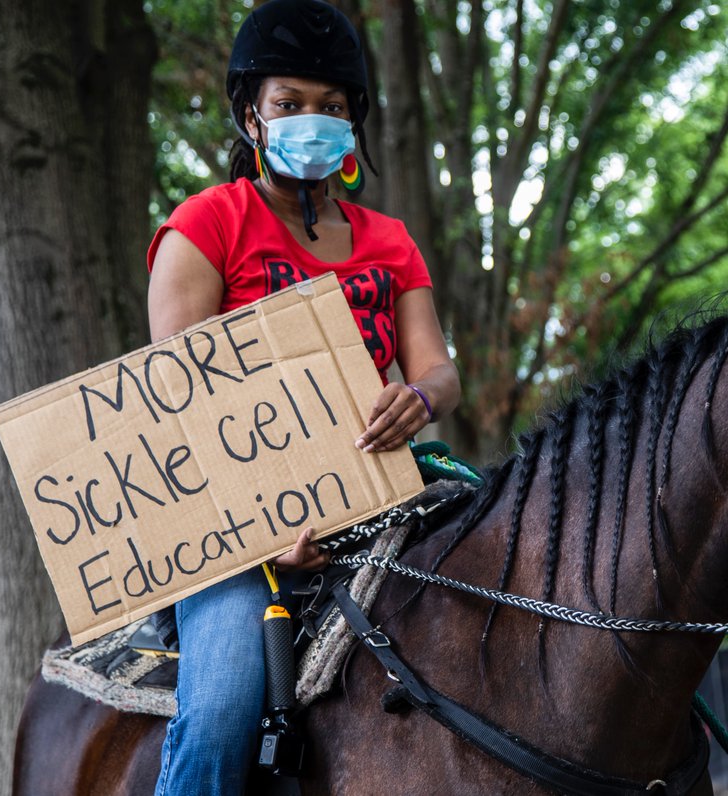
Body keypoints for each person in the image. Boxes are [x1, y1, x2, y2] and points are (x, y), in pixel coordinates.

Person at [146, 2, 459, 793]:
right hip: (235, 531)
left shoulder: (391, 241)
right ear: (252, 115)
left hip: (379, 499)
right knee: (221, 711)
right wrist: (264, 526)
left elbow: (438, 370)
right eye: (289, 103)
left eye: (332, 106)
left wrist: (419, 399)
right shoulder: (204, 226)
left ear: (353, 123)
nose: (311, 120)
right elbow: (176, 403)